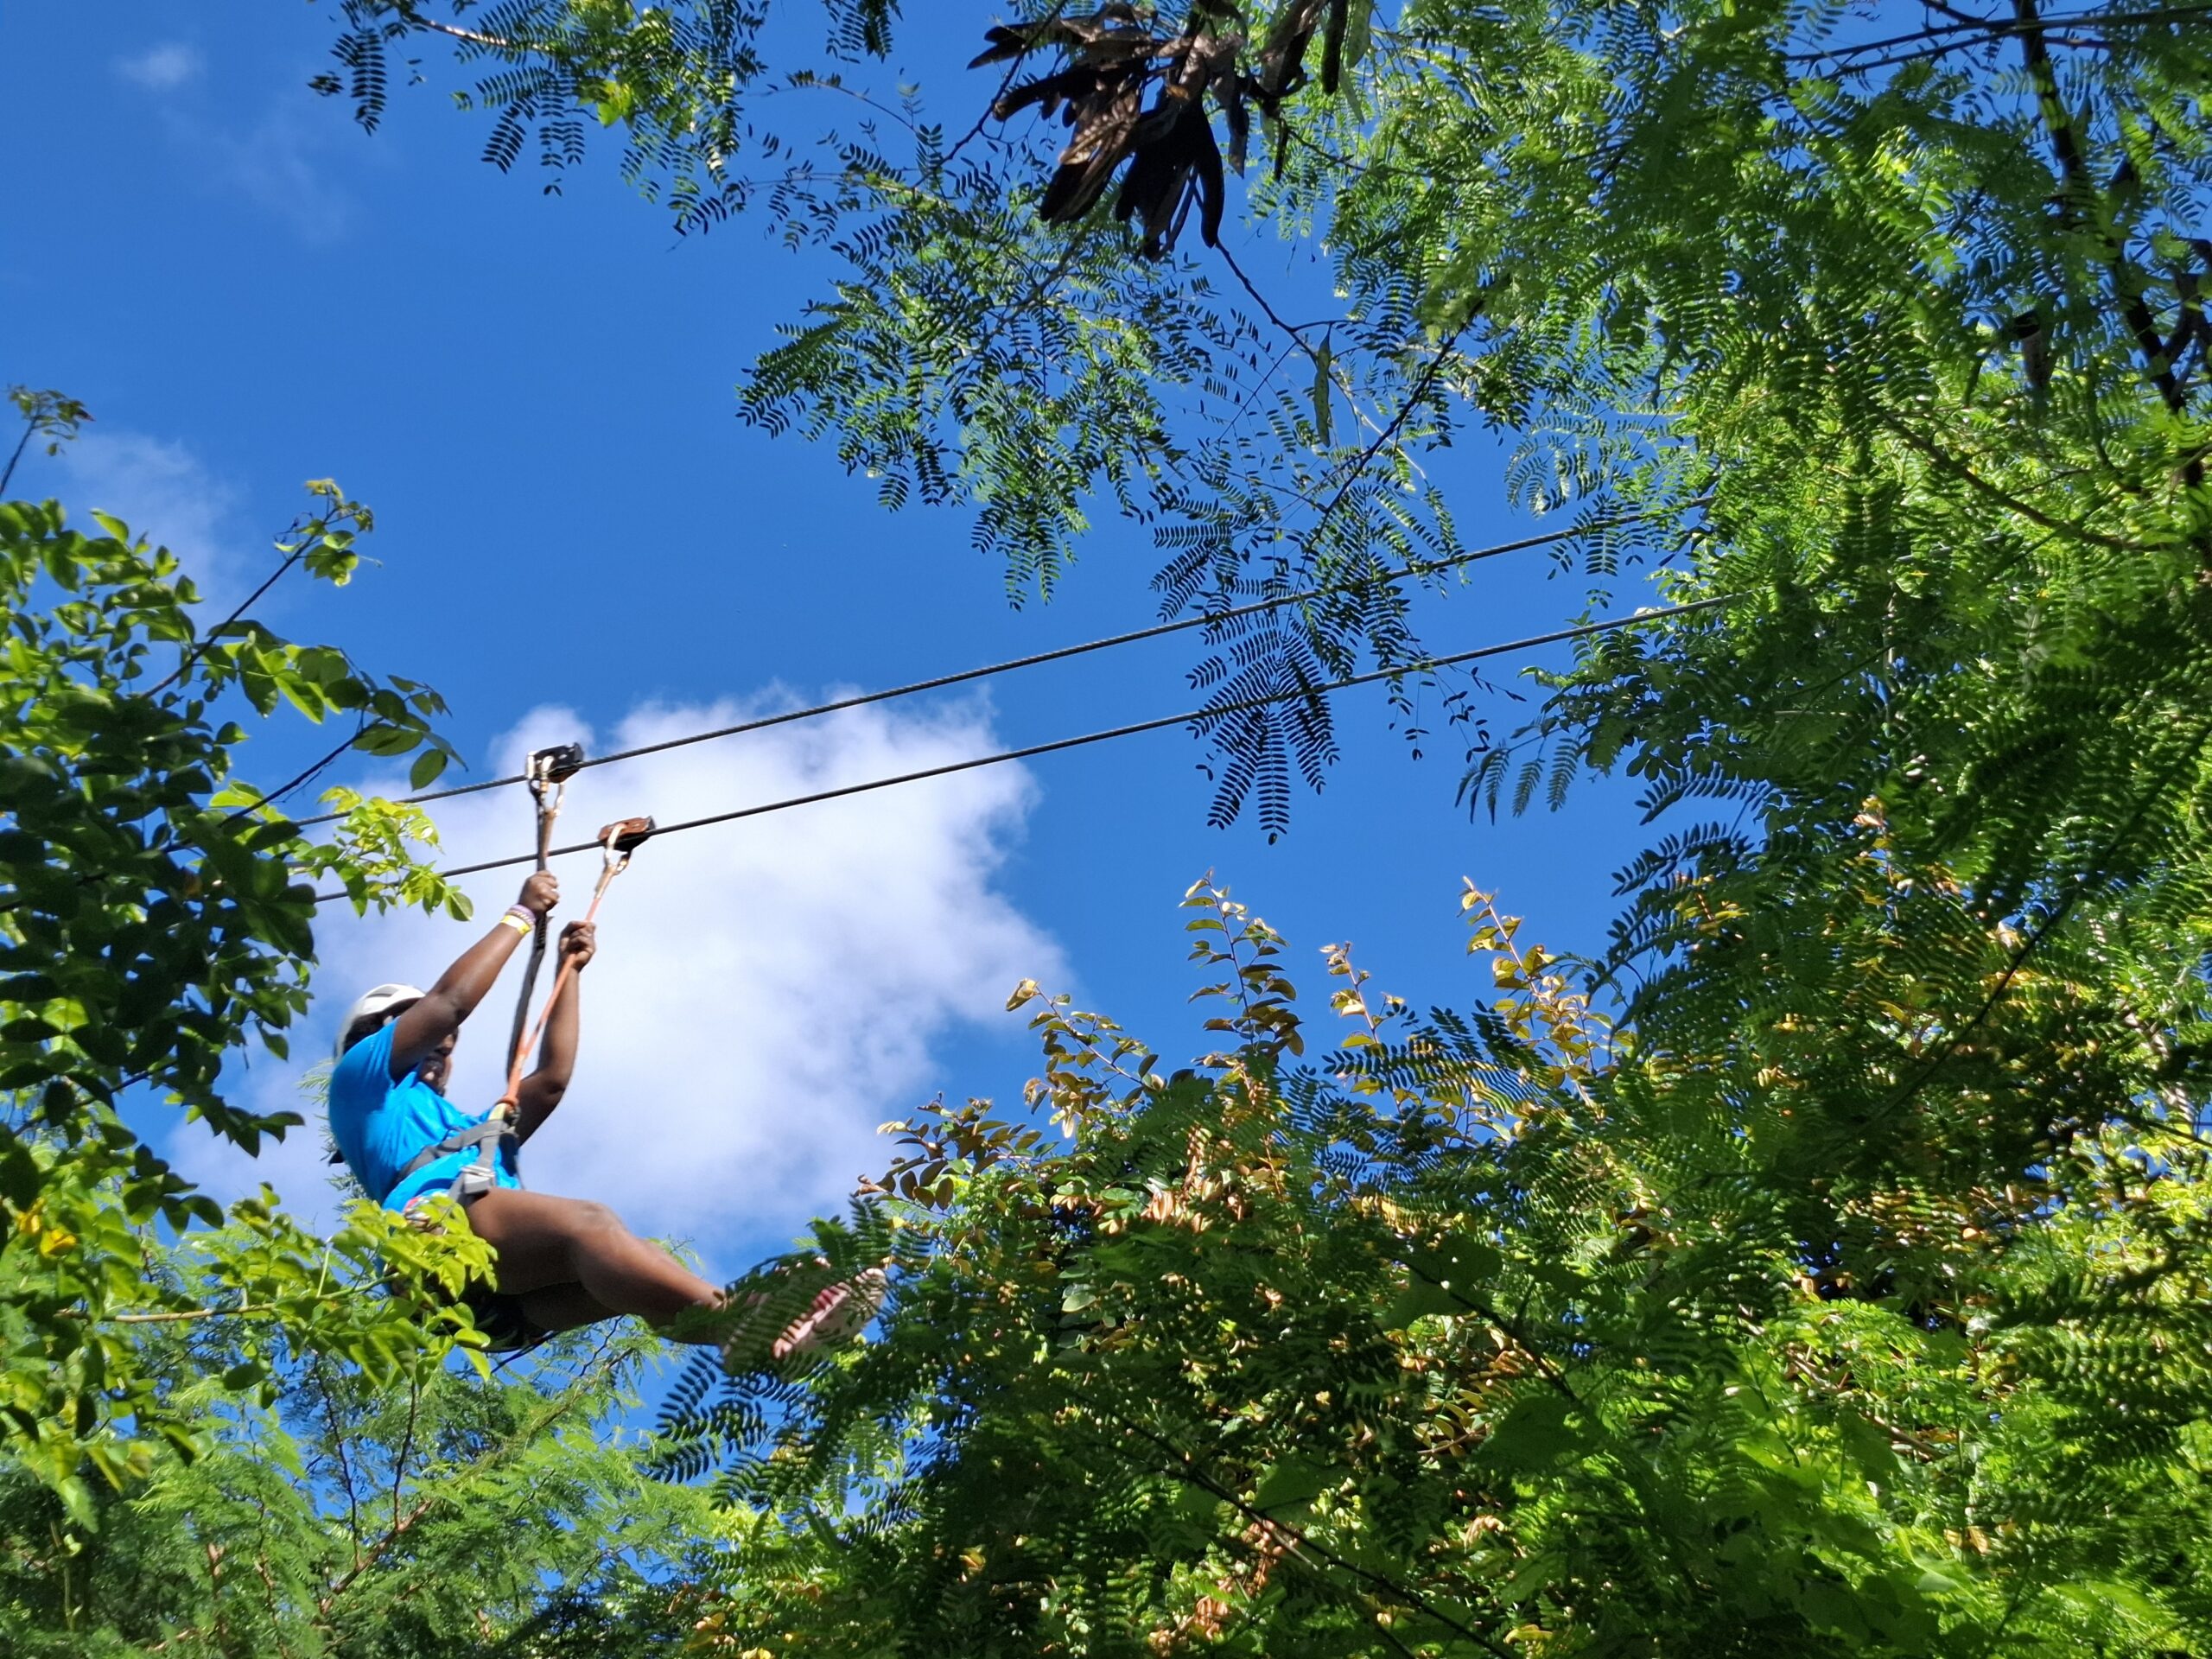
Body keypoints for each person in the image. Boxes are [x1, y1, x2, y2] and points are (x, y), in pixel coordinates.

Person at [327, 870, 876, 1360]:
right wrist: (521, 915)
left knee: (640, 1269)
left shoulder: (466, 1132)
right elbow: (449, 1001)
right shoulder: (362, 1084)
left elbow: (550, 1082)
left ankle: (759, 1332)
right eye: (418, 1027)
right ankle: (746, 1316)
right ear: (373, 1037)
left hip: (496, 1309)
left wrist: (572, 972)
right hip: (436, 1243)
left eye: (447, 1040)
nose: (442, 1040)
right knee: (591, 1224)